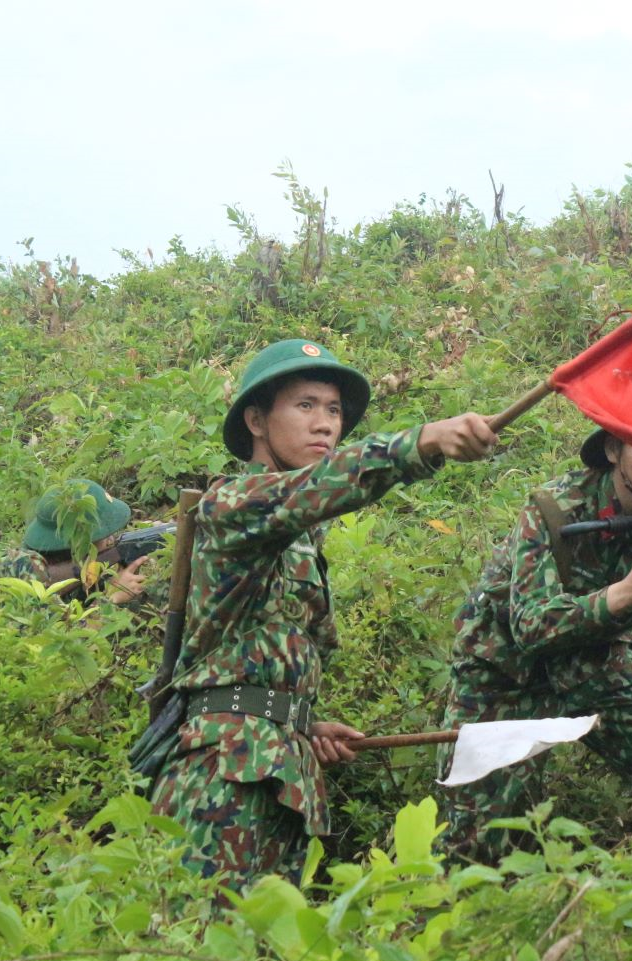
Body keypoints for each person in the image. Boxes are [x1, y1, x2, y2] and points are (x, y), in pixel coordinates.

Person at [149, 338, 497, 889]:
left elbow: (262, 656)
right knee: (205, 945)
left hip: (283, 769)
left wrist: (302, 722)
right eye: (306, 406)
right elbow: (319, 488)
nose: (326, 425)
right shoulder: (233, 504)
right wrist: (424, 441)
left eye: (334, 411)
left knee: (272, 953)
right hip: (221, 771)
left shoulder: (302, 537)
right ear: (257, 420)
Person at [439, 380, 632, 861]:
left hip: (593, 663)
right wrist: (625, 593)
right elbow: (530, 627)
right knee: (477, 844)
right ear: (613, 449)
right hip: (502, 677)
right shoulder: (553, 510)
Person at [0, 478, 149, 606]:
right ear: (80, 542)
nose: (110, 539)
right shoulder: (19, 567)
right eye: (105, 535)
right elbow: (65, 637)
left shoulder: (64, 564)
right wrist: (113, 598)